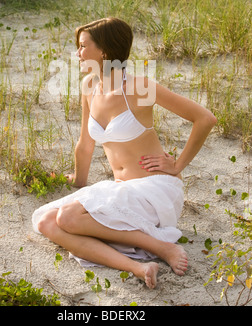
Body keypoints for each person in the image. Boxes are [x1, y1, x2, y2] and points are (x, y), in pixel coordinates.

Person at [32, 17, 217, 289]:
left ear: (104, 50)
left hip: (154, 189)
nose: (78, 53)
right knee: (47, 221)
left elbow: (205, 118)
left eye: (83, 46)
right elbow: (85, 144)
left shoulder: (138, 87)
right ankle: (138, 267)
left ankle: (162, 247)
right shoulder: (89, 86)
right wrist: (78, 183)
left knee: (68, 218)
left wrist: (177, 166)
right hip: (122, 189)